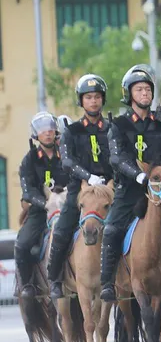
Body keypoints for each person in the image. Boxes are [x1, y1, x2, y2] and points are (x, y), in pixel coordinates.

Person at [100, 66, 161, 302]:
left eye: (148, 89)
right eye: (139, 89)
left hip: (159, 191)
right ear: (129, 95)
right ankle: (107, 282)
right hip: (130, 191)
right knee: (111, 229)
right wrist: (137, 175)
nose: (145, 93)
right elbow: (117, 158)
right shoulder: (118, 125)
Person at [47, 75, 113, 299]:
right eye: (88, 97)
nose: (93, 101)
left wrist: (108, 181)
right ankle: (55, 279)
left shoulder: (112, 128)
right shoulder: (71, 131)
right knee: (62, 230)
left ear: (102, 99)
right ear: (81, 101)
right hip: (80, 191)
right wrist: (89, 177)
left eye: (96, 97)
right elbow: (67, 161)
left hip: (109, 191)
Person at [16, 113, 65, 297]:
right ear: (36, 134)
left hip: (67, 207)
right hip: (40, 211)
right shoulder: (29, 159)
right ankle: (27, 285)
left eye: (51, 128)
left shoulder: (65, 154)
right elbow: (27, 190)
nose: (48, 132)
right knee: (22, 243)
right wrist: (45, 203)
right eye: (43, 130)